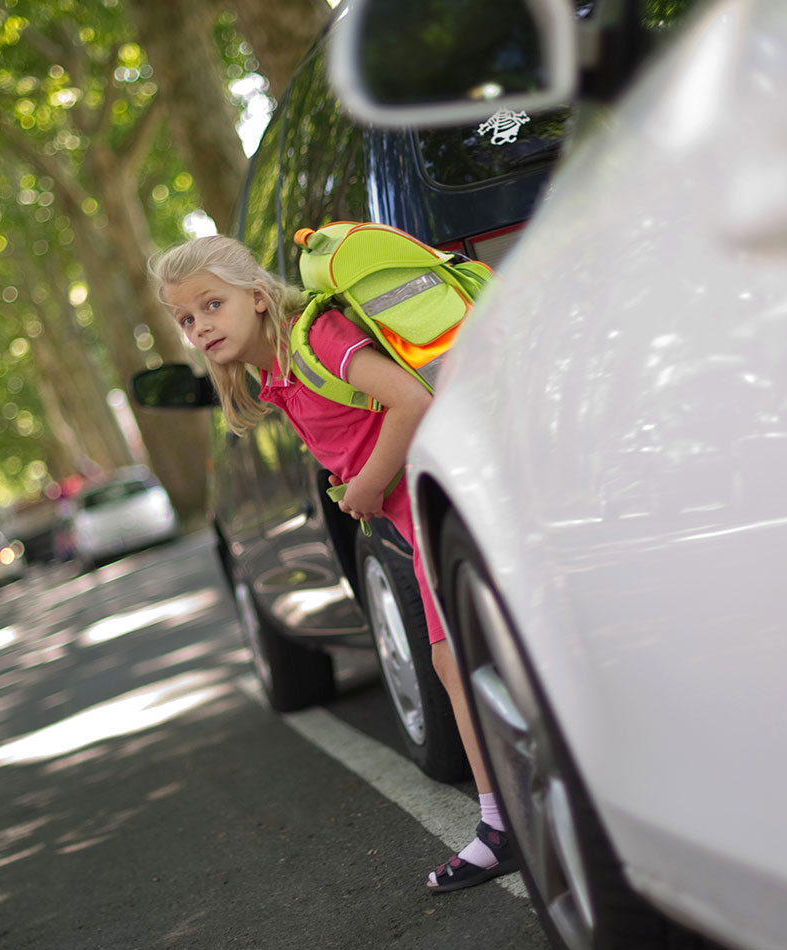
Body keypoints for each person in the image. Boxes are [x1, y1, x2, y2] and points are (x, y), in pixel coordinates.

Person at [151, 235, 516, 893]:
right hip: (422, 507)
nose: (201, 325)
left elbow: (413, 401)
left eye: (212, 304)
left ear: (258, 298)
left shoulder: (317, 340)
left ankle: (507, 821)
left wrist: (367, 485)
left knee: (455, 657)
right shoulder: (275, 372)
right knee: (457, 655)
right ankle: (508, 815)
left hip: (446, 493)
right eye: (186, 319)